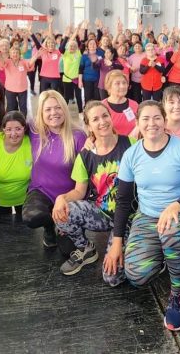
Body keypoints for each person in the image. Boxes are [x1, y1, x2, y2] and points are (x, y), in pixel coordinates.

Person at [107, 100, 180, 331]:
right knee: (136, 276)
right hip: (148, 216)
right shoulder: (131, 155)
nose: (151, 123)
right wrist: (116, 243)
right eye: (145, 119)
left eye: (156, 118)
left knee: (172, 235)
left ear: (164, 121)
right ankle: (170, 257)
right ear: (138, 123)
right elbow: (123, 201)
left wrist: (177, 206)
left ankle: (179, 292)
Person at [53, 101, 134, 276]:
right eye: (95, 119)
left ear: (111, 118)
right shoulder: (85, 156)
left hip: (128, 216)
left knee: (113, 277)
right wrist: (62, 198)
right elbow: (79, 192)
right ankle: (85, 249)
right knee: (62, 212)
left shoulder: (130, 144)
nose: (102, 122)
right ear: (88, 126)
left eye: (105, 116)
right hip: (101, 213)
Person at [23, 90, 87, 249]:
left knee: (67, 250)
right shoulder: (34, 130)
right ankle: (49, 227)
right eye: (48, 109)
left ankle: (63, 225)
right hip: (41, 191)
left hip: (69, 196)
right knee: (32, 217)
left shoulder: (78, 136)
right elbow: (10, 126)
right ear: (41, 113)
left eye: (58, 108)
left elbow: (86, 173)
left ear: (64, 109)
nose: (54, 113)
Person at [0, 111, 33, 219]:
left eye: (18, 129)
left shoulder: (31, 143)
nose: (13, 134)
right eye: (8, 129)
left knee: (25, 229)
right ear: (3, 130)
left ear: (24, 129)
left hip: (24, 198)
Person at [0, 46, 37, 115]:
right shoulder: (7, 61)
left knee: (23, 107)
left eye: (17, 53)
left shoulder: (23, 61)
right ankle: (10, 121)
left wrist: (36, 56)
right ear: (10, 54)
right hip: (10, 89)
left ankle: (22, 122)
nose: (15, 54)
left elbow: (30, 63)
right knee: (11, 107)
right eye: (13, 53)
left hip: (22, 89)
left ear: (19, 54)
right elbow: (2, 63)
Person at [102, 70, 139, 137]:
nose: (122, 86)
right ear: (109, 87)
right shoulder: (102, 107)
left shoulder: (134, 105)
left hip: (133, 145)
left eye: (124, 83)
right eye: (117, 83)